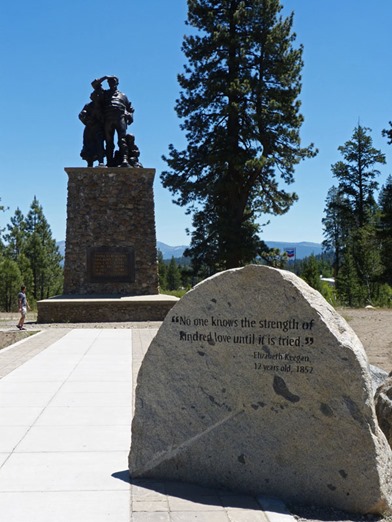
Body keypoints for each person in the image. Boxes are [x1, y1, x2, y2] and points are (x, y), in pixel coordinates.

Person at [91, 76, 134, 167]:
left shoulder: (123, 96)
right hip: (108, 119)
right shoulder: (105, 93)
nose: (111, 83)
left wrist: (129, 115)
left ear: (117, 83)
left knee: (122, 140)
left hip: (120, 118)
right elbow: (94, 84)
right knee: (109, 141)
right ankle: (109, 161)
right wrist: (105, 77)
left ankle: (124, 160)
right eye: (109, 82)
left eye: (113, 81)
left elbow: (130, 109)